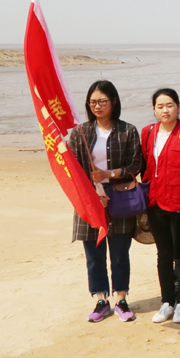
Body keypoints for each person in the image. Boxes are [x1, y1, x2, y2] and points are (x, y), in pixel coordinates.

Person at [69, 80, 143, 323]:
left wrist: (109, 174)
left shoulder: (127, 130)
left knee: (120, 254)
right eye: (93, 102)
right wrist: (93, 193)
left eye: (102, 101)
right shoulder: (80, 132)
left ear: (114, 102)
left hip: (119, 199)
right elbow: (72, 169)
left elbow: (136, 165)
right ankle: (101, 300)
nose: (97, 106)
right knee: (94, 254)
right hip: (89, 202)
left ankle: (121, 299)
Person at [141, 88, 180, 324]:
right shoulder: (148, 132)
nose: (165, 110)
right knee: (163, 254)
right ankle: (167, 301)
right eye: (160, 106)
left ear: (178, 106)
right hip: (155, 202)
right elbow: (144, 166)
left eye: (169, 105)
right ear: (154, 109)